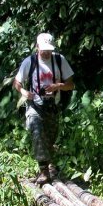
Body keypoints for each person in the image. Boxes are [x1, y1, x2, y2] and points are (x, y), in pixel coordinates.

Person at [13, 33, 75, 184]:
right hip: (35, 105)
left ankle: (49, 166)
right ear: (37, 47)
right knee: (37, 130)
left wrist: (58, 86)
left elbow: (71, 84)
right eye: (43, 49)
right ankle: (44, 172)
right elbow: (17, 82)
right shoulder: (30, 62)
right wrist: (24, 92)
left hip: (53, 105)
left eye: (49, 50)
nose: (46, 53)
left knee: (50, 137)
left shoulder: (60, 61)